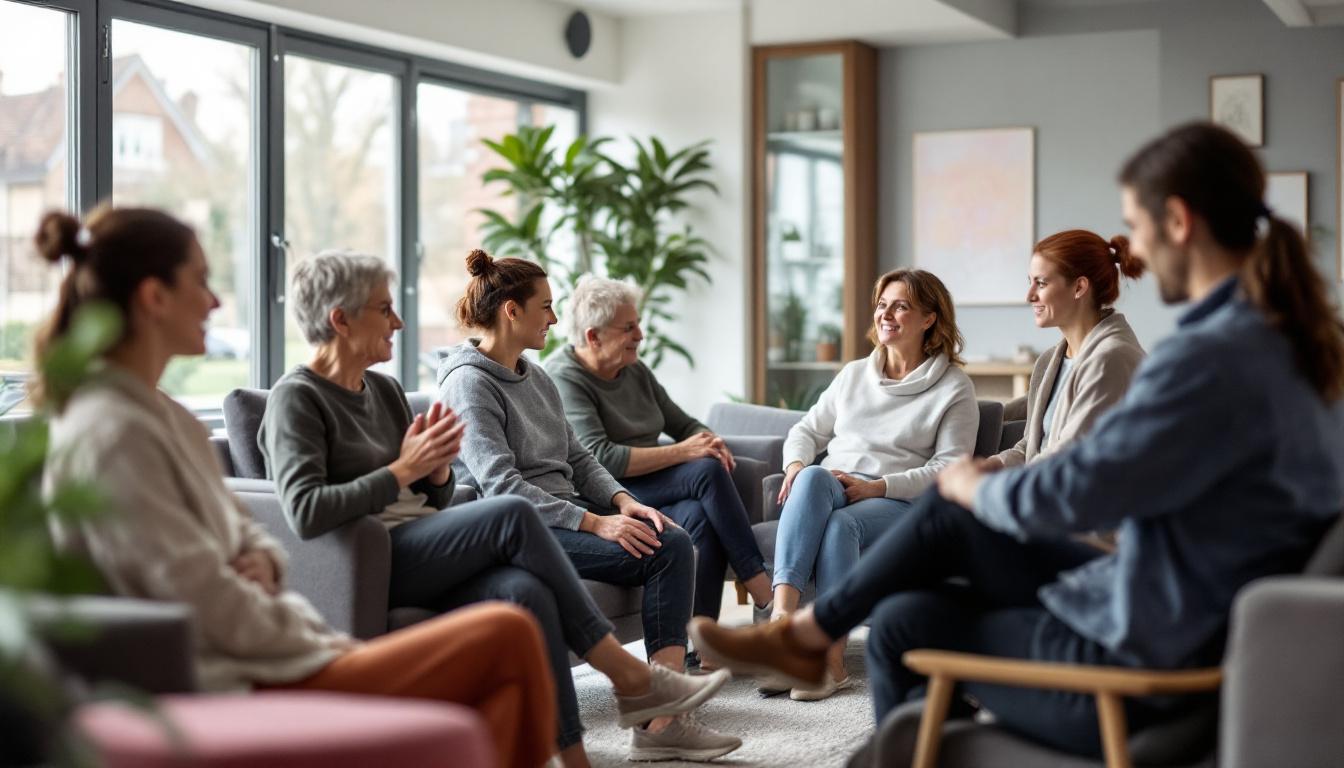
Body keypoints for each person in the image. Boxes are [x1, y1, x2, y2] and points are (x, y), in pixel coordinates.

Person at [688, 122, 1344, 758]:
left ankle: (809, 635)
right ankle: (808, 634)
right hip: (1168, 609)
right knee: (922, 575)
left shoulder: (1206, 358)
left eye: (1137, 228)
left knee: (906, 609)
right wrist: (976, 481)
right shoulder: (1286, 343)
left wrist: (973, 481)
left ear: (1177, 221)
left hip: (1142, 655)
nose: (1135, 252)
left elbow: (1085, 490)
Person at [35, 208, 554, 768]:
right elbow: (199, 597)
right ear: (154, 297)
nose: (215, 302)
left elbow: (248, 542)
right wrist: (318, 649)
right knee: (505, 634)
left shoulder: (167, 418)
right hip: (244, 671)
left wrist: (259, 560)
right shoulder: (111, 432)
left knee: (509, 637)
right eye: (201, 281)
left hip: (282, 644)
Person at [258, 252, 729, 768]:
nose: (398, 321)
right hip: (376, 560)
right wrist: (402, 471)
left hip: (431, 540)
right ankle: (631, 677)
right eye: (385, 308)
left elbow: (439, 497)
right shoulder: (296, 398)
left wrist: (433, 472)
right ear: (340, 319)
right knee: (510, 512)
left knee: (527, 593)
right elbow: (304, 512)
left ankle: (574, 757)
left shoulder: (386, 390)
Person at [437, 250, 741, 761]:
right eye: (546, 307)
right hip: (518, 527)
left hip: (565, 511)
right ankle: (660, 717)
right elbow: (502, 486)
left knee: (670, 538)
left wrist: (625, 502)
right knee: (666, 549)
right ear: (512, 311)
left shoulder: (535, 377)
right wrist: (597, 523)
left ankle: (662, 720)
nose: (556, 320)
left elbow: (578, 458)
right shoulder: (468, 383)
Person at [766, 268, 978, 699]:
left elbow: (949, 469)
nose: (887, 314)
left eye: (902, 306)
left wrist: (877, 487)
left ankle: (829, 659)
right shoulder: (853, 374)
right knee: (810, 476)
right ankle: (782, 625)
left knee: (844, 525)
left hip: (902, 502)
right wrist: (794, 466)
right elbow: (806, 431)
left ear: (929, 319)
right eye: (883, 305)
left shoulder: (954, 387)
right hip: (836, 486)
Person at [545, 274, 772, 625]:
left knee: (698, 516)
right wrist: (685, 453)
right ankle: (765, 596)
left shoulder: (634, 370)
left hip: (655, 486)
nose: (640, 336)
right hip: (608, 493)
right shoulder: (563, 377)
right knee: (705, 471)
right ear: (594, 336)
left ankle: (702, 637)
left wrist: (707, 439)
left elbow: (684, 424)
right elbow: (601, 457)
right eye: (629, 328)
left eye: (638, 325)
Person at [987, 229, 1146, 471]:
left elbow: (1066, 460)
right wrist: (988, 466)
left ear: (1079, 287)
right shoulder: (1050, 361)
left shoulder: (1111, 359)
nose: (1029, 296)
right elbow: (1031, 447)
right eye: (1030, 282)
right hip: (1040, 494)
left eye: (1041, 283)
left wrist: (983, 488)